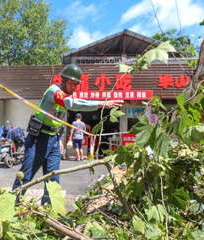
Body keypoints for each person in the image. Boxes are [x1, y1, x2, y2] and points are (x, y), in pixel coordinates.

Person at [12, 64, 123, 205]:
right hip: (38, 139)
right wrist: (101, 103)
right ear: (63, 80)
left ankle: (48, 213)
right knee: (25, 177)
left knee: (53, 180)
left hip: (53, 141)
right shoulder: (54, 91)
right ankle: (12, 206)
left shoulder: (65, 95)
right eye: (71, 83)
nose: (73, 87)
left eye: (76, 84)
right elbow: (70, 103)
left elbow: (57, 120)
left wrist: (58, 139)